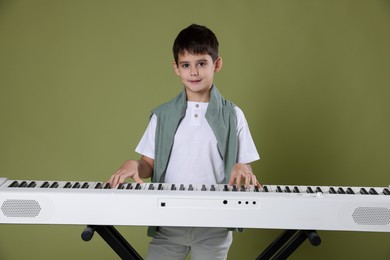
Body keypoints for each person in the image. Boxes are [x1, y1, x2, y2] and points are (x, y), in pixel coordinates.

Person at [108, 24, 260, 260]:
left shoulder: (233, 115)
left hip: (214, 225)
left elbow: (243, 168)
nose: (194, 72)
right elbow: (148, 164)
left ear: (216, 64)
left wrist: (243, 166)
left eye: (201, 63)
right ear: (176, 69)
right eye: (186, 65)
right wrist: (135, 165)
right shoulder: (163, 115)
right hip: (169, 223)